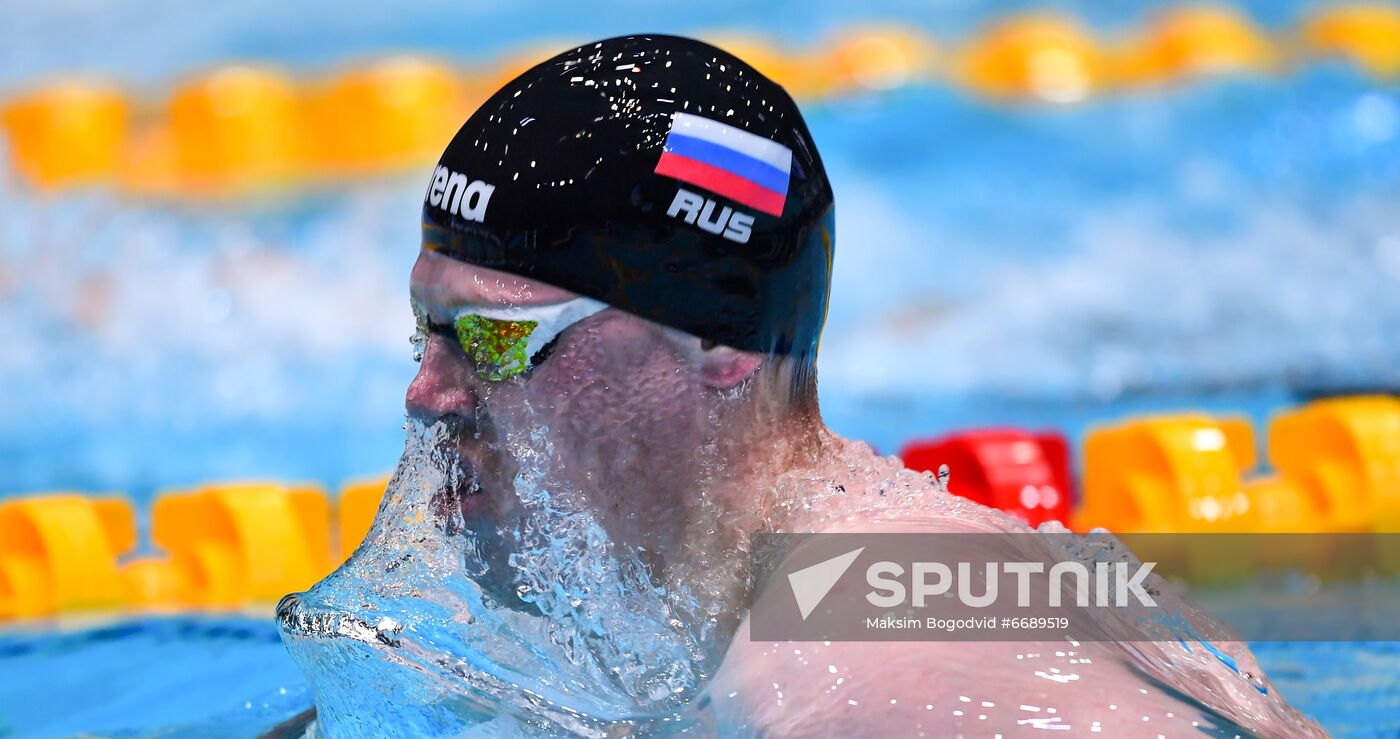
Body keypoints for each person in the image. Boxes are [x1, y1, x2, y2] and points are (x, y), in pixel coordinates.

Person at [282, 34, 1322, 737]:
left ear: (718, 340)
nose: (430, 391)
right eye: (427, 333)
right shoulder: (721, 606)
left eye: (495, 340)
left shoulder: (860, 669)